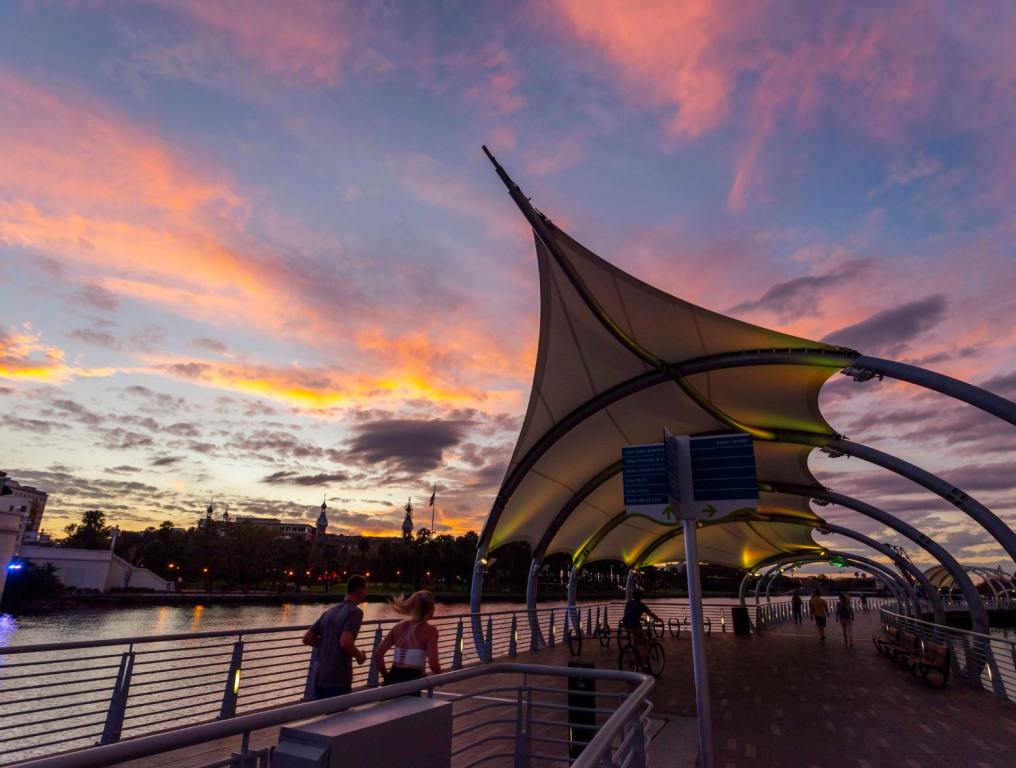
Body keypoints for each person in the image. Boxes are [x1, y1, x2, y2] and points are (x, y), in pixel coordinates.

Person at [302, 574, 368, 699]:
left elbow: (307, 638)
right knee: (340, 716)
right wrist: (360, 656)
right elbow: (345, 643)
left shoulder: (329, 612)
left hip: (320, 676)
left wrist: (328, 643)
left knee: (327, 717)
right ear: (360, 591)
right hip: (338, 678)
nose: (365, 595)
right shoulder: (355, 612)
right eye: (365, 591)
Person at [374, 590, 442, 693]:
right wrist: (441, 677)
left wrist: (387, 677)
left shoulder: (398, 627)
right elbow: (433, 664)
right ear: (430, 608)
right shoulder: (430, 631)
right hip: (412, 681)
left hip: (393, 678)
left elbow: (378, 655)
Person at [622, 590, 662, 664]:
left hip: (626, 626)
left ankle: (635, 655)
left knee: (636, 641)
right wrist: (658, 619)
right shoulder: (641, 605)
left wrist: (640, 618)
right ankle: (644, 661)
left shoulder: (629, 603)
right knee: (646, 643)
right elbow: (651, 614)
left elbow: (630, 614)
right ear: (640, 596)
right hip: (635, 626)